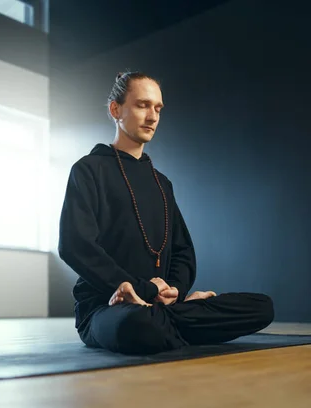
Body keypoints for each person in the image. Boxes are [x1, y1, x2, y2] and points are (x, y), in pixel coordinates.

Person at [58, 71, 274, 354]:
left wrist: (174, 291)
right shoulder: (88, 169)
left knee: (262, 307)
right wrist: (137, 289)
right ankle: (177, 322)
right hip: (107, 308)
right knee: (137, 325)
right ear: (116, 109)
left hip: (161, 305)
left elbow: (183, 251)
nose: (152, 116)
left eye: (158, 108)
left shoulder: (162, 182)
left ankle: (170, 320)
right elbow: (75, 245)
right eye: (142, 105)